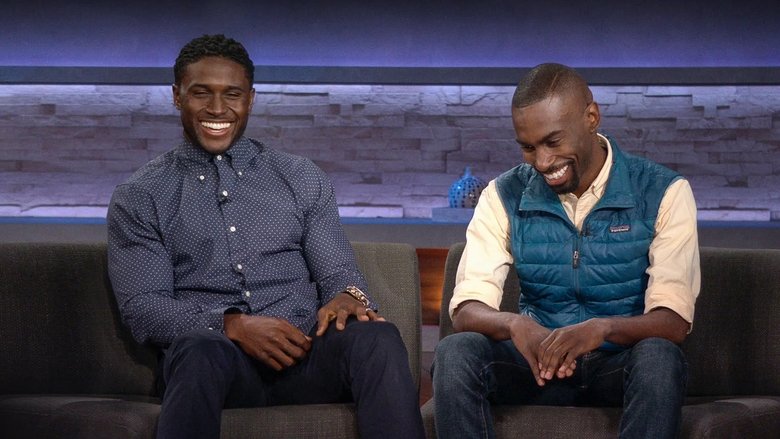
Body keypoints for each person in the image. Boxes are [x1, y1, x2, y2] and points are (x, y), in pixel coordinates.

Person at [107, 34, 425, 439]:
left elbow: (338, 273)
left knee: (378, 338)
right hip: (217, 364)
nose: (217, 108)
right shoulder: (142, 195)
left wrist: (348, 295)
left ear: (251, 99)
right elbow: (144, 307)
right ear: (176, 96)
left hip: (306, 355)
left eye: (232, 94)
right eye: (201, 93)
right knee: (198, 349)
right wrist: (232, 326)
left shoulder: (300, 177)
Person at [432, 63, 700, 439]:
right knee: (456, 352)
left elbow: (673, 321)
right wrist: (515, 324)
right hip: (536, 366)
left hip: (617, 366)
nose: (542, 162)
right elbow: (466, 309)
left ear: (591, 118)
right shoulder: (502, 194)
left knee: (660, 358)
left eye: (553, 142)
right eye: (529, 148)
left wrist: (601, 329)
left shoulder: (663, 191)